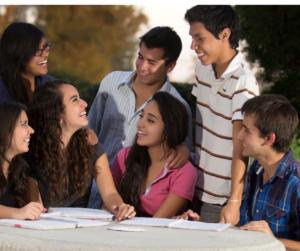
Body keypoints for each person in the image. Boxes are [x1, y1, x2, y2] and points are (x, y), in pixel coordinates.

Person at [87, 26, 193, 209]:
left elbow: (181, 152)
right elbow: (89, 128)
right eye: (140, 57)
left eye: (152, 62)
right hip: (89, 189)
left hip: (132, 201)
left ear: (171, 66)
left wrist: (185, 151)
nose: (143, 67)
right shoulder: (111, 82)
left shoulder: (178, 106)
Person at [182, 5, 260, 225]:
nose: (193, 46)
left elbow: (241, 146)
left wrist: (234, 201)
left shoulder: (244, 82)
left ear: (225, 34)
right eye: (192, 38)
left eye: (199, 38)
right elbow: (201, 126)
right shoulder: (202, 69)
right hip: (192, 188)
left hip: (220, 199)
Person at [27, 79, 135, 220]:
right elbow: (35, 206)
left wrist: (120, 207)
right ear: (56, 112)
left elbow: (109, 194)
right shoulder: (31, 153)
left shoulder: (91, 147)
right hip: (45, 227)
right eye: (74, 100)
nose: (84, 103)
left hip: (81, 227)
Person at [109, 92, 197, 218]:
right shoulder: (124, 156)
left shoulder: (184, 173)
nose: (139, 124)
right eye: (141, 116)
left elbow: (157, 222)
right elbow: (106, 207)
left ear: (169, 130)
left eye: (150, 120)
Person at [237, 95, 300, 251]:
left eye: (246, 130)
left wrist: (273, 241)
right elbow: (244, 227)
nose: (239, 136)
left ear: (269, 138)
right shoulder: (256, 168)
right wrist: (198, 224)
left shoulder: (296, 184)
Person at [0, 101, 45, 220]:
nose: (31, 130)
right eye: (24, 124)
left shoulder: (18, 169)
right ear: (5, 128)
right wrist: (16, 213)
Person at [0, 22, 54, 104]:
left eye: (44, 47)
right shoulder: (2, 93)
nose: (45, 54)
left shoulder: (51, 85)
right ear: (17, 54)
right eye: (36, 50)